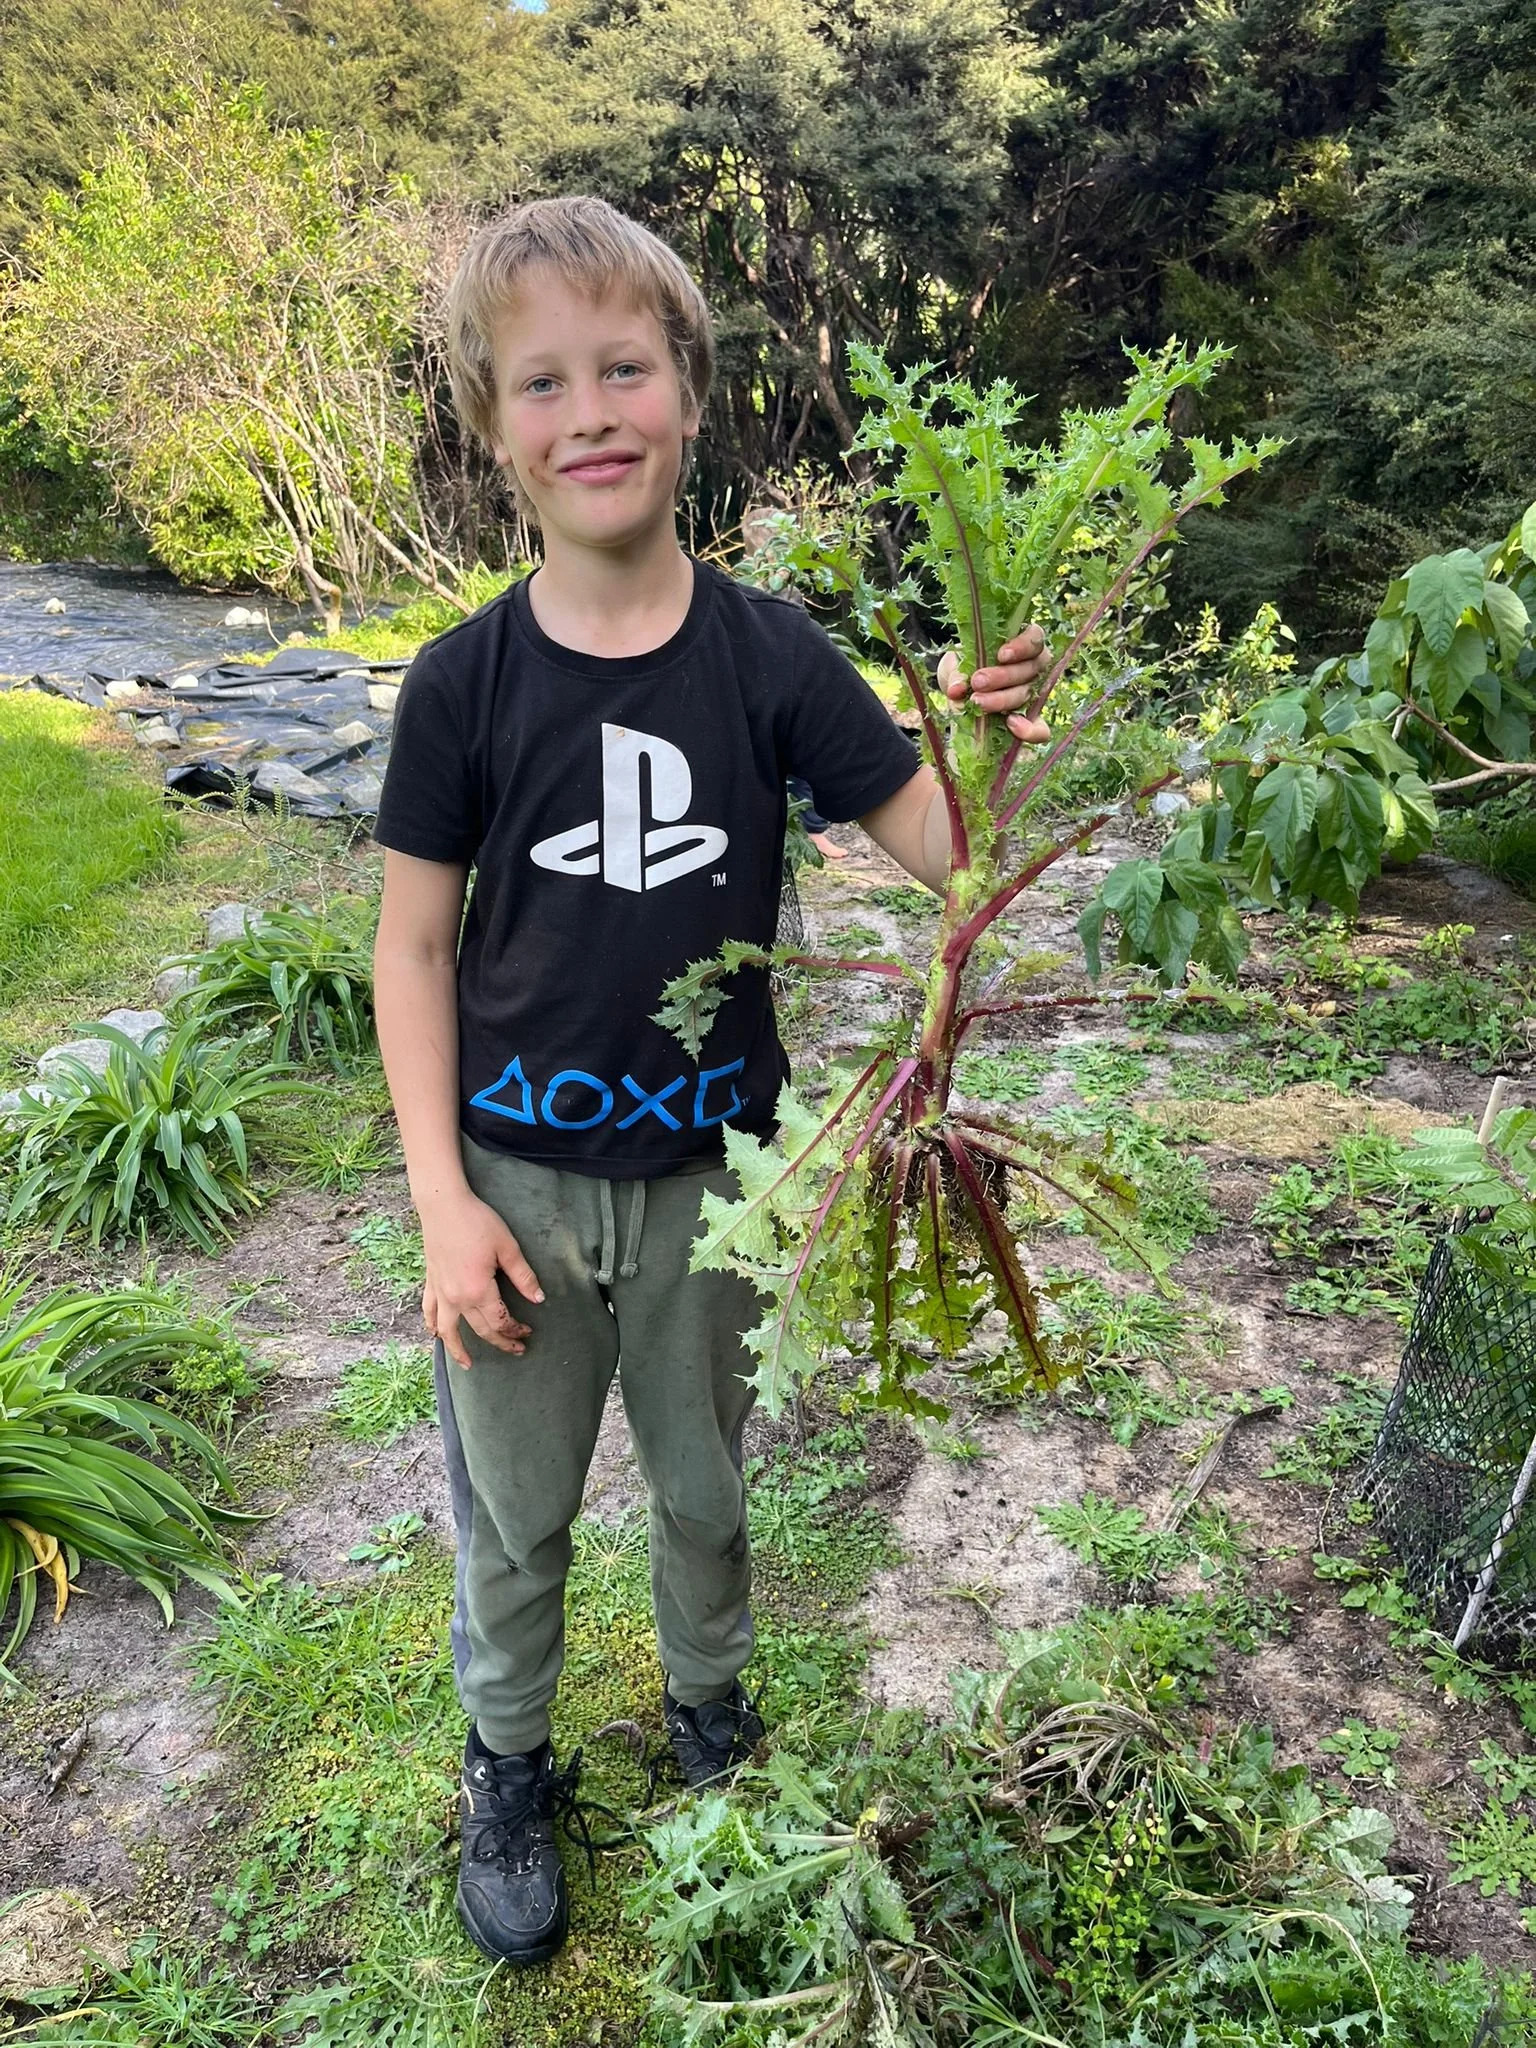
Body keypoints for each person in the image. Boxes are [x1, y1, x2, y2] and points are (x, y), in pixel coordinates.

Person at [370, 194, 1051, 1971]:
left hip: (721, 1183)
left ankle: (709, 1717)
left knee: (705, 1489)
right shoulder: (463, 684)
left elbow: (937, 849)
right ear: (495, 427)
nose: (589, 412)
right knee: (515, 1515)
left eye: (623, 368)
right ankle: (506, 1765)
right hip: (513, 1192)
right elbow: (415, 952)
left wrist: (983, 742)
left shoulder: (770, 657)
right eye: (542, 382)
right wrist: (442, 1204)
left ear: (685, 393)